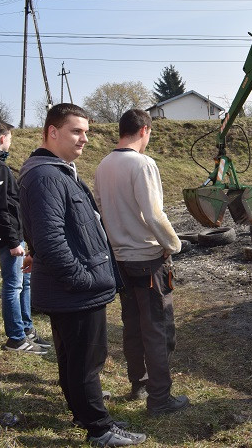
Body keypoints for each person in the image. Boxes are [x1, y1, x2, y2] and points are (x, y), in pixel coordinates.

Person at [19, 103, 146, 447]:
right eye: (76, 131)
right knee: (87, 362)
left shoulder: (55, 171)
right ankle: (100, 430)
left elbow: (48, 232)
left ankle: (86, 415)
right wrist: (82, 279)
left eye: (86, 132)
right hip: (76, 290)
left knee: (75, 360)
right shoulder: (45, 175)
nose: (84, 139)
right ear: (51, 132)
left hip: (72, 288)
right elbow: (50, 238)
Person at [93, 109, 189, 416]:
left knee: (132, 324)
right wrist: (173, 244)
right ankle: (160, 398)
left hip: (120, 260)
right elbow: (153, 214)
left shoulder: (103, 165)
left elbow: (100, 210)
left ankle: (139, 382)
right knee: (158, 328)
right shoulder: (143, 164)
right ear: (144, 130)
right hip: (148, 260)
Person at [0, 118, 50, 355]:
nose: (11, 141)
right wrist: (13, 241)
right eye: (10, 137)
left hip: (13, 234)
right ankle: (16, 339)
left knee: (24, 282)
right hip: (9, 237)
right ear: (3, 138)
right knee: (13, 286)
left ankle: (26, 330)